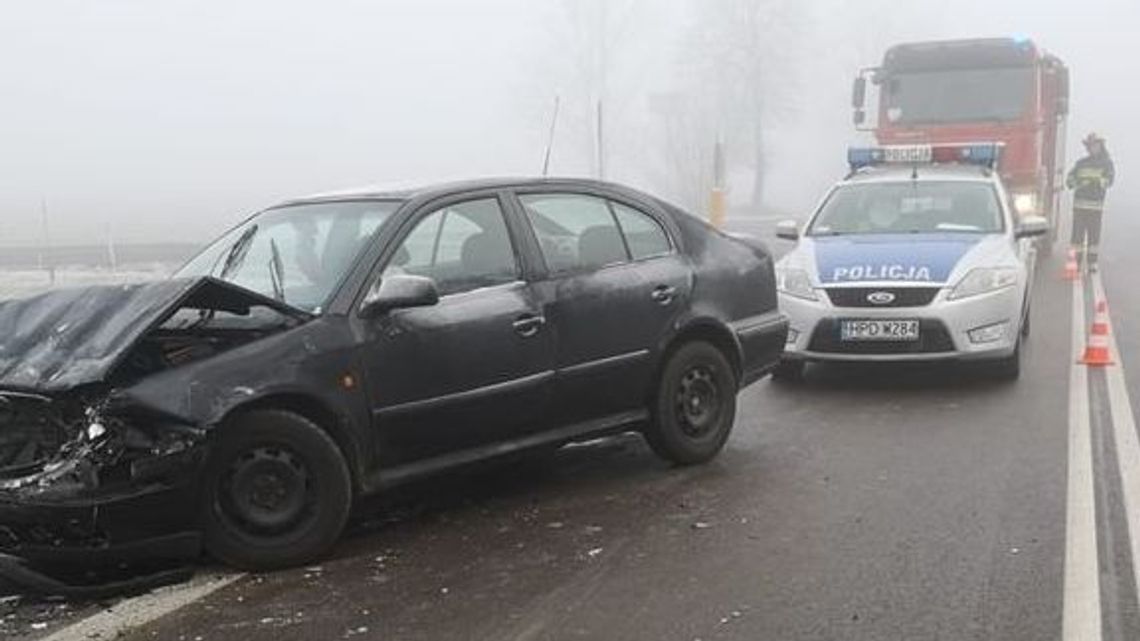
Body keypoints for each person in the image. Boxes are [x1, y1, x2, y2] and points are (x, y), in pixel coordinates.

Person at [1067, 132, 1115, 269]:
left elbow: (1109, 180)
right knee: (1076, 237)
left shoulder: (1106, 164)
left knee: (1094, 236)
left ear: (1100, 146)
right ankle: (1073, 264)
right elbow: (1070, 180)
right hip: (1079, 206)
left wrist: (1094, 181)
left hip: (1095, 206)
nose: (1092, 148)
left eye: (1095, 145)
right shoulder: (1081, 163)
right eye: (1090, 145)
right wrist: (1078, 183)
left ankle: (1092, 263)